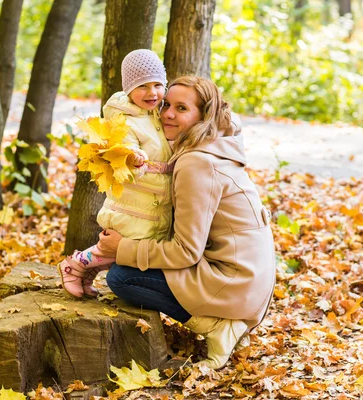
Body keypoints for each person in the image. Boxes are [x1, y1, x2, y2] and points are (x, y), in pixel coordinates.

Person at [70, 76, 276, 370]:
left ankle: (219, 327)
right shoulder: (216, 143)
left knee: (121, 277)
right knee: (129, 268)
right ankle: (228, 321)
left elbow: (186, 252)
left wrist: (123, 248)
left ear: (203, 116)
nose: (167, 113)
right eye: (167, 104)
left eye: (181, 108)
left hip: (235, 282)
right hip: (248, 278)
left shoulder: (196, 163)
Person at [58, 49, 174, 297]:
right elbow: (122, 145)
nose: (151, 92)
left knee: (127, 252)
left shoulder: (157, 113)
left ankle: (86, 273)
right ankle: (74, 265)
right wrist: (133, 157)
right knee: (113, 249)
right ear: (129, 89)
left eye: (157, 85)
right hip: (134, 202)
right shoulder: (126, 119)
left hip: (153, 203)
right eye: (142, 86)